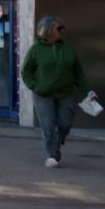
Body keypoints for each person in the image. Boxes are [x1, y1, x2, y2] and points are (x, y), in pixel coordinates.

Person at [21, 15, 87, 168]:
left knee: (66, 123)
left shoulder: (68, 49)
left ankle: (58, 142)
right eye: (59, 28)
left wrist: (87, 91)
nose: (62, 31)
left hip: (65, 92)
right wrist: (36, 87)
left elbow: (78, 73)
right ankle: (52, 155)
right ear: (48, 30)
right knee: (48, 125)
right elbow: (26, 72)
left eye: (63, 28)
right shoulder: (35, 50)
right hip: (43, 94)